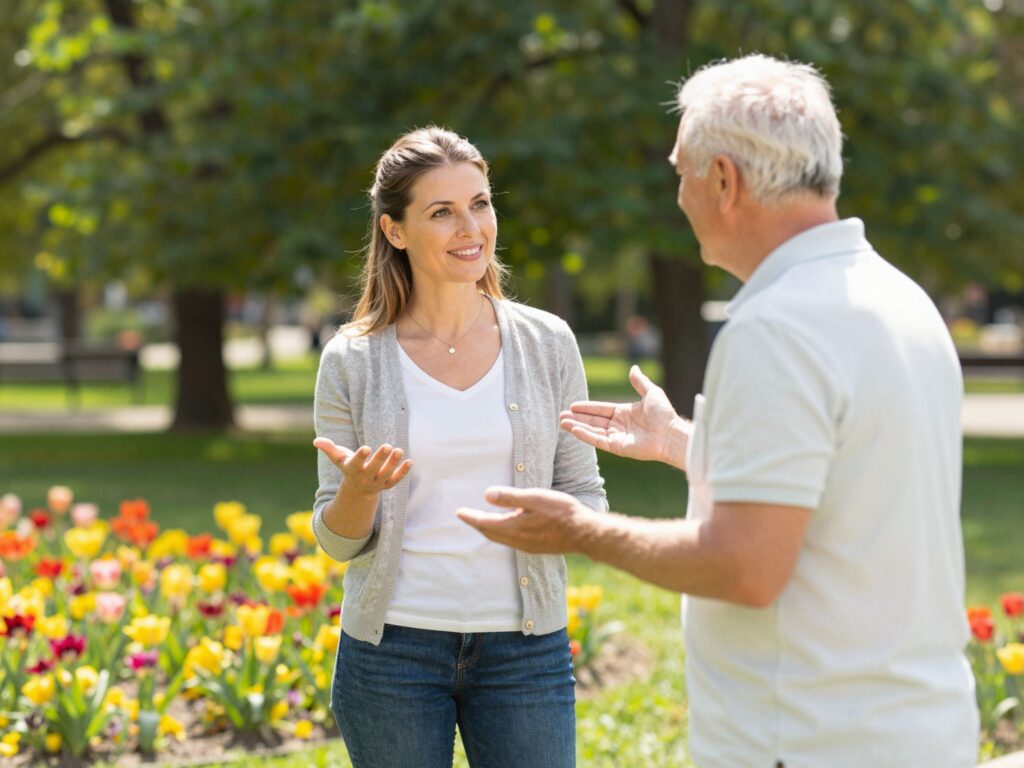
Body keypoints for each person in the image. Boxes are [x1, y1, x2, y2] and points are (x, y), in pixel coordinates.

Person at [458, 54, 979, 768]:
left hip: (806, 741)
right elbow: (847, 475)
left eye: (681, 173)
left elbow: (745, 569)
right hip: (920, 733)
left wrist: (583, 530)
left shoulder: (775, 326)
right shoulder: (898, 301)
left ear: (724, 180)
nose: (677, 197)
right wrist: (682, 443)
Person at [311, 125, 607, 768]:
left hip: (525, 651)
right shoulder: (352, 360)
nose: (469, 227)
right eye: (441, 212)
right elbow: (337, 540)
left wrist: (561, 528)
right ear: (395, 230)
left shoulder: (548, 343)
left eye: (480, 203)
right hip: (392, 655)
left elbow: (585, 495)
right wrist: (359, 493)